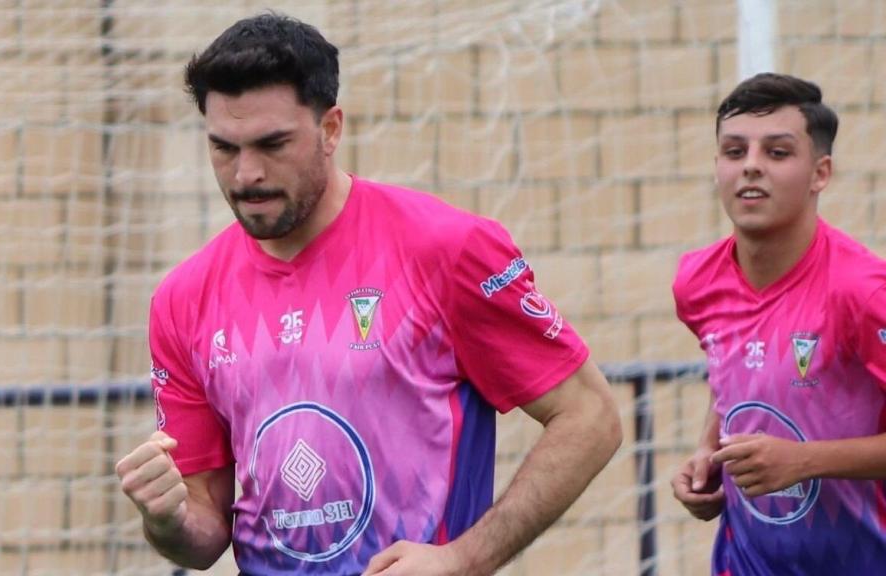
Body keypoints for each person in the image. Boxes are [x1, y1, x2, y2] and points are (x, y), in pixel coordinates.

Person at [115, 12, 621, 576]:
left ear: (331, 129)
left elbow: (590, 416)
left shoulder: (447, 248)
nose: (245, 175)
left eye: (272, 144)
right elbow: (205, 532)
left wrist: (467, 558)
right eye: (224, 148)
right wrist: (167, 520)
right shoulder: (182, 298)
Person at [671, 72, 886, 575]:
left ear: (821, 173)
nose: (750, 167)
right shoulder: (695, 280)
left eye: (777, 153)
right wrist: (709, 450)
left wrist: (803, 460)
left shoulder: (864, 291)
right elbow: (737, 368)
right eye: (734, 151)